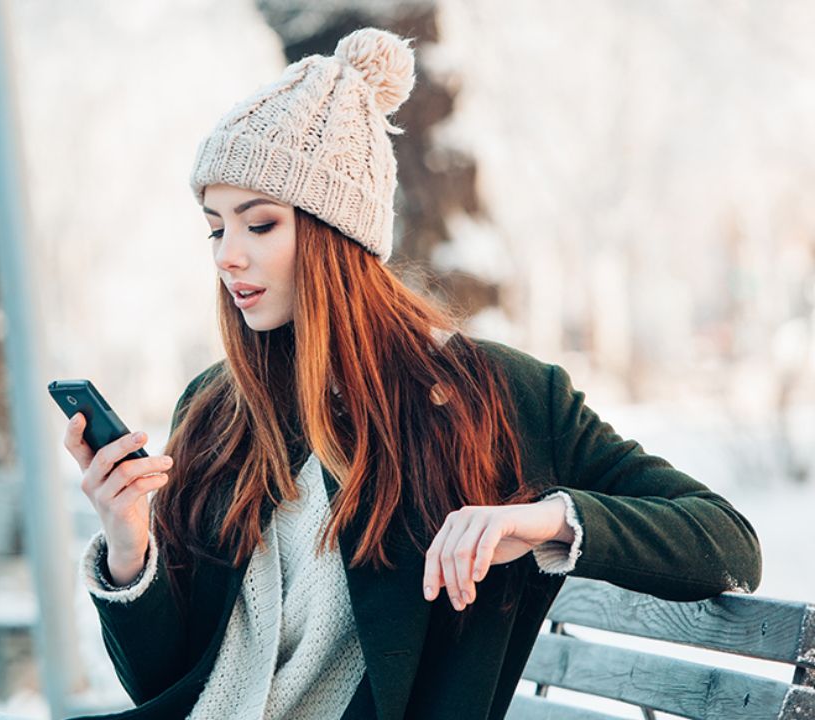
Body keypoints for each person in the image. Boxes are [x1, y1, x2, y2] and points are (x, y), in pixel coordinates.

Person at [62, 27, 761, 720]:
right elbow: (166, 683)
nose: (227, 256)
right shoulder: (218, 408)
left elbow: (725, 542)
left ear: (338, 232)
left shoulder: (499, 396)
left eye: (260, 224)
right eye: (216, 228)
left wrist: (546, 521)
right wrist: (130, 544)